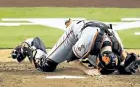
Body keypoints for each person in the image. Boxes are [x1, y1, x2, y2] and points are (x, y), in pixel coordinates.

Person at [11, 19, 139, 75]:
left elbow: (125, 58)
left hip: (92, 31)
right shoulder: (87, 42)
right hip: (76, 34)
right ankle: (29, 45)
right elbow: (71, 59)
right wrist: (86, 70)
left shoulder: (116, 45)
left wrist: (128, 63)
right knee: (45, 66)